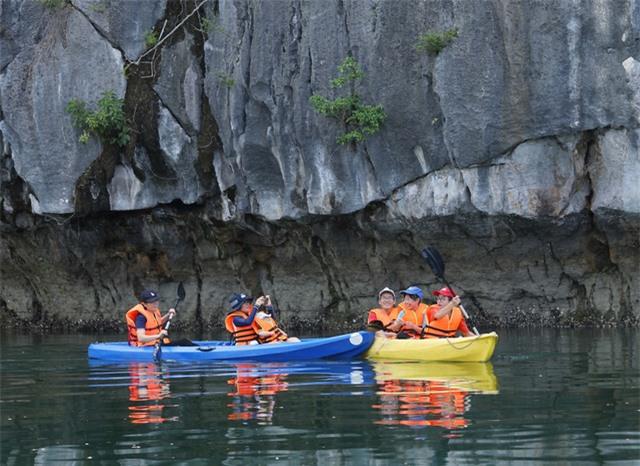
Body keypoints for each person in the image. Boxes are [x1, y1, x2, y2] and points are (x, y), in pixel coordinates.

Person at [126, 289, 194, 346]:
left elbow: (158, 323)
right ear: (144, 304)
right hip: (145, 346)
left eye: (156, 301)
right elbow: (141, 338)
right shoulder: (141, 318)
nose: (155, 304)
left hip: (156, 343)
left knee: (185, 341)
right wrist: (158, 336)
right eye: (152, 302)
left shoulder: (153, 311)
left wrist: (168, 315)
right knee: (184, 342)